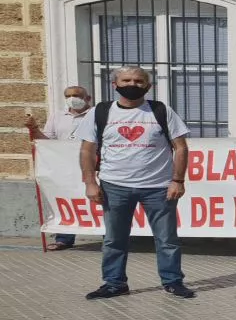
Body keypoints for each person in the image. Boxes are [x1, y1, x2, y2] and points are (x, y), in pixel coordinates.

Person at [76, 67, 194, 299]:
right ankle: (114, 283)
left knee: (167, 239)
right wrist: (90, 182)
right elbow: (87, 149)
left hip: (158, 187)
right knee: (114, 239)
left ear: (148, 86)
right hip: (114, 186)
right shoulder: (100, 112)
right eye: (127, 80)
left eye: (139, 81)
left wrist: (177, 180)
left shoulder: (160, 110)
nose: (133, 84)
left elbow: (180, 147)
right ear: (115, 84)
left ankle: (172, 281)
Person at [26, 85, 93, 250]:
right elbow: (48, 140)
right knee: (67, 199)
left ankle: (108, 237)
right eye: (68, 96)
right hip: (65, 166)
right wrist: (34, 129)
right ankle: (64, 238)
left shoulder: (96, 114)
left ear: (87, 98)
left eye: (76, 95)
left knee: (96, 200)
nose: (72, 98)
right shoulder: (57, 116)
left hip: (91, 163)